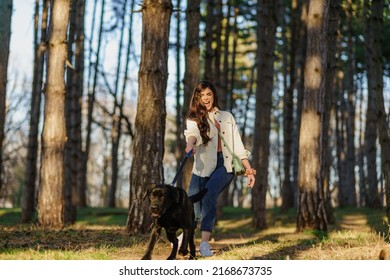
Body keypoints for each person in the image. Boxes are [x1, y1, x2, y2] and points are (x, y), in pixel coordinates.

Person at [184, 80, 256, 257]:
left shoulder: (227, 117)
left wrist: (248, 168)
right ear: (197, 98)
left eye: (208, 94)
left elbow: (237, 144)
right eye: (202, 96)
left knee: (209, 194)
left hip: (225, 164)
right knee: (192, 202)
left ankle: (204, 243)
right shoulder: (194, 119)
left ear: (213, 95)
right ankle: (185, 236)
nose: (206, 98)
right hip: (202, 166)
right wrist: (190, 144)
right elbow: (192, 134)